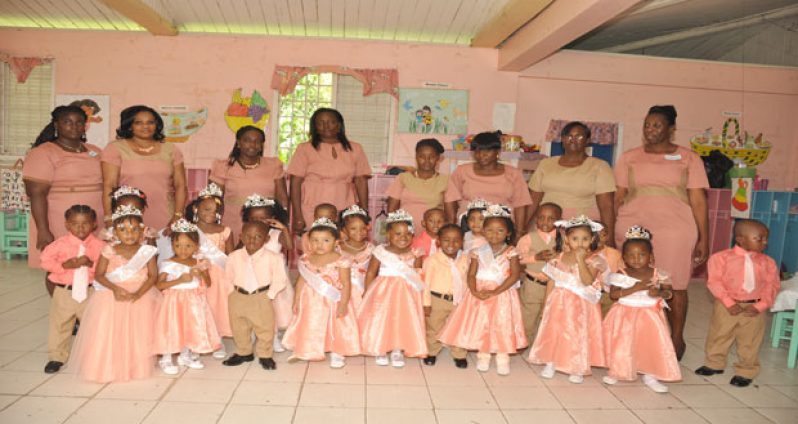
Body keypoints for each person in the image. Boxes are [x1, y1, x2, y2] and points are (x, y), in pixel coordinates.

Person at [614, 105, 709, 360]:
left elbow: (699, 200)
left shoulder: (689, 158)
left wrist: (704, 238)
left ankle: (675, 338)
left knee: (675, 284)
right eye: (647, 124)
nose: (650, 129)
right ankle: (634, 339)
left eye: (656, 125)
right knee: (631, 281)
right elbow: (618, 196)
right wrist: (611, 229)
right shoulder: (629, 157)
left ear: (671, 128)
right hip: (633, 226)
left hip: (676, 229)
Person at [66, 205, 160, 382]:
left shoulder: (147, 251)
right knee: (109, 333)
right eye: (123, 229)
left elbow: (153, 276)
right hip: (111, 295)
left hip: (140, 296)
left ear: (142, 231)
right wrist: (116, 289)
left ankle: (135, 367)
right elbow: (99, 275)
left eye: (134, 229)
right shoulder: (108, 250)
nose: (129, 234)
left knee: (137, 333)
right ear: (114, 232)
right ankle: (106, 368)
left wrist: (138, 294)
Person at [438, 205, 526, 375]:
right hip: (479, 292)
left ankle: (502, 357)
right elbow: (471, 274)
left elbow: (514, 275)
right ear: (484, 231)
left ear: (508, 233)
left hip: (502, 293)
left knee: (501, 324)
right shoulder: (477, 252)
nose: (494, 234)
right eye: (490, 230)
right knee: (482, 324)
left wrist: (496, 291)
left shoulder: (511, 252)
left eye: (500, 230)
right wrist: (474, 290)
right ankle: (483, 355)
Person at [24, 105, 103, 292]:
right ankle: (64, 307)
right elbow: (36, 193)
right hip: (59, 218)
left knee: (92, 262)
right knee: (61, 263)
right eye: (68, 122)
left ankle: (84, 311)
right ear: (56, 125)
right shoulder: (43, 152)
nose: (74, 127)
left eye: (79, 123)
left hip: (93, 218)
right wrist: (43, 230)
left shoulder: (94, 151)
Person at [695, 219, 780, 388]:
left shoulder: (768, 262)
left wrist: (760, 306)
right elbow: (715, 282)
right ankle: (714, 363)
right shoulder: (720, 258)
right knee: (719, 334)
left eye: (766, 238)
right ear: (740, 238)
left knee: (750, 340)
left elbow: (772, 285)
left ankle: (746, 371)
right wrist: (728, 302)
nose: (765, 242)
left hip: (753, 307)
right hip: (726, 305)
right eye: (760, 238)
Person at [528, 216, 607, 384]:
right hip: (559, 301)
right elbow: (551, 281)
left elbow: (587, 281)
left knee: (577, 333)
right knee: (555, 330)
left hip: (581, 304)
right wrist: (545, 305)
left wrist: (580, 260)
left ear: (592, 239)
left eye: (585, 239)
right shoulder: (558, 258)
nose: (580, 243)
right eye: (575, 239)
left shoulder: (594, 260)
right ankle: (551, 361)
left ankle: (576, 365)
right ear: (566, 239)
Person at [602, 226, 681, 393]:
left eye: (641, 254)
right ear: (623, 258)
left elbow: (669, 294)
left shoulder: (659, 273)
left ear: (651, 257)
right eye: (630, 255)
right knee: (624, 343)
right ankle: (619, 369)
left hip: (649, 315)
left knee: (649, 343)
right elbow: (614, 295)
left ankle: (650, 374)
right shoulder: (621, 273)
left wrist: (658, 292)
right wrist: (635, 287)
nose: (636, 259)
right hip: (625, 313)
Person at [282, 217, 360, 368]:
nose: (319, 245)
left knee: (336, 325)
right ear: (309, 242)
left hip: (333, 299)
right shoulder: (307, 258)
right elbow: (301, 280)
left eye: (325, 240)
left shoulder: (341, 259)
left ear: (335, 242)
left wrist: (343, 303)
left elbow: (346, 283)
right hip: (310, 300)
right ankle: (308, 348)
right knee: (311, 323)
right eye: (315, 240)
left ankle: (337, 351)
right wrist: (296, 299)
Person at [357, 210, 427, 367]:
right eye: (398, 234)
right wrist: (368, 293)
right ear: (388, 235)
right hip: (383, 292)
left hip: (406, 294)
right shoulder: (380, 252)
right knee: (382, 319)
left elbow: (417, 275)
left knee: (401, 320)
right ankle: (380, 348)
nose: (403, 237)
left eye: (408, 234)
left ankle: (397, 349)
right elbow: (371, 273)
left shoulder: (416, 253)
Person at [40, 205, 105, 374]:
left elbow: (106, 267)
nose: (81, 227)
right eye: (75, 223)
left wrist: (91, 265)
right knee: (60, 325)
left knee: (92, 325)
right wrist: (65, 265)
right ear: (67, 225)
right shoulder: (59, 244)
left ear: (94, 225)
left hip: (89, 291)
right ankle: (57, 357)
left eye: (85, 223)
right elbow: (45, 261)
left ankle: (92, 356)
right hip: (64, 292)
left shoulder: (99, 246)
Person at [101, 105, 188, 231]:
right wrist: (109, 218)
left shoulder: (171, 149)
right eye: (138, 123)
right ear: (130, 125)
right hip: (127, 215)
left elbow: (181, 185)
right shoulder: (115, 149)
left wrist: (177, 216)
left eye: (150, 122)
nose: (145, 126)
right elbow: (109, 185)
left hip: (165, 215)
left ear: (157, 125)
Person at [527, 121, 616, 242]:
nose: (573, 139)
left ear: (587, 140)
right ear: (562, 139)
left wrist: (609, 238)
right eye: (569, 136)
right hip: (546, 227)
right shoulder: (546, 164)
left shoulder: (599, 166)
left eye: (579, 136)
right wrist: (521, 228)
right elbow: (532, 200)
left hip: (580, 233)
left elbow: (606, 207)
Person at [153, 219, 220, 375]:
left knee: (190, 327)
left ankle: (185, 355)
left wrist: (202, 273)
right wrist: (178, 280)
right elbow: (159, 285)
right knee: (172, 328)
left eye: (188, 246)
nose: (183, 250)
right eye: (178, 246)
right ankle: (166, 358)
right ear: (172, 245)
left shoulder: (199, 262)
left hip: (193, 301)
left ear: (196, 246)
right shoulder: (167, 263)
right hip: (174, 302)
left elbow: (208, 283)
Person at [287, 108, 371, 233]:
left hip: (345, 206)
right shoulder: (304, 149)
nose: (326, 126)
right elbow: (295, 183)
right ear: (315, 126)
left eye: (331, 121)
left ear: (339, 125)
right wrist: (297, 215)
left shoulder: (356, 148)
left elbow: (361, 181)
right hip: (311, 208)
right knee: (315, 245)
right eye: (320, 122)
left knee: (343, 245)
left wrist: (363, 211)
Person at [222, 221, 290, 370]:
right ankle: (243, 352)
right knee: (239, 327)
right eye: (248, 236)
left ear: (266, 239)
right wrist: (231, 293)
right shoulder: (234, 256)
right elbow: (227, 276)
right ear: (241, 237)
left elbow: (280, 279)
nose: (252, 240)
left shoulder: (274, 258)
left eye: (258, 236)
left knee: (265, 327)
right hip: (238, 295)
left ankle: (265, 355)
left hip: (262, 295)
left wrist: (270, 295)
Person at [210, 126, 288, 244]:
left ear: (262, 145)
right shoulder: (223, 167)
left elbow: (282, 198)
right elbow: (213, 199)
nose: (253, 144)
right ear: (239, 143)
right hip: (233, 221)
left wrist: (283, 221)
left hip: (265, 223)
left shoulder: (273, 165)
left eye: (257, 141)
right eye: (247, 140)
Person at [444, 132, 531, 231]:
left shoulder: (513, 174)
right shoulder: (462, 171)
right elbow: (450, 199)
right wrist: (451, 227)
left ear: (497, 152)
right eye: (477, 151)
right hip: (469, 228)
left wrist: (519, 232)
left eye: (487, 150)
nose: (481, 155)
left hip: (501, 229)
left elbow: (520, 204)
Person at [187, 183, 234, 359]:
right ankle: (197, 340)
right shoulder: (190, 229)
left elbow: (229, 256)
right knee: (198, 306)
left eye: (216, 211)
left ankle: (218, 340)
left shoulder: (225, 231)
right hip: (198, 273)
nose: (211, 214)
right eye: (206, 209)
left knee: (218, 307)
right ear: (196, 208)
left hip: (220, 275)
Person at [421, 224, 470, 368]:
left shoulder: (466, 259)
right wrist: (426, 303)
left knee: (459, 326)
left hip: (459, 300)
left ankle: (459, 353)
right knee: (434, 327)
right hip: (438, 300)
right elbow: (425, 283)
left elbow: (468, 279)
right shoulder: (432, 261)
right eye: (446, 240)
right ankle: (432, 351)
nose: (451, 244)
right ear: (438, 242)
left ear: (462, 242)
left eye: (456, 240)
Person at [516, 202, 562, 346]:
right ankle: (525, 342)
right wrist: (535, 258)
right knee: (529, 314)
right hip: (533, 284)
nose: (545, 222)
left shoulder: (564, 239)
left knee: (550, 315)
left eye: (551, 218)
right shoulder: (528, 238)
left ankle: (543, 346)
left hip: (556, 285)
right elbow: (517, 258)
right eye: (541, 217)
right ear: (536, 219)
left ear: (559, 220)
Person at [386, 138, 448, 226]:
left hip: (433, 235)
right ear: (416, 157)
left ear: (438, 158)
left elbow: (450, 217)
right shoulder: (403, 178)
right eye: (422, 157)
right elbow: (391, 212)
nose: (427, 161)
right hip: (405, 234)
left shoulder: (446, 180)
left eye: (432, 157)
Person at [338, 205, 374, 309]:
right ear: (344, 229)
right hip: (341, 289)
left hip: (363, 288)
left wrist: (368, 292)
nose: (359, 232)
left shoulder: (372, 250)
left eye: (363, 228)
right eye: (353, 228)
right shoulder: (337, 248)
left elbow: (373, 273)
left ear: (368, 228)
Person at [593, 221, 623, 316]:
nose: (599, 238)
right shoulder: (583, 255)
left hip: (609, 295)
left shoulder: (615, 254)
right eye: (595, 234)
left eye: (603, 234)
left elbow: (623, 272)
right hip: (590, 296)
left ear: (607, 236)